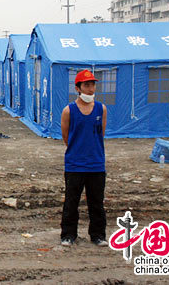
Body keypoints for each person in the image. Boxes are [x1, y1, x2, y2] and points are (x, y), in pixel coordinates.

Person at [59, 69, 108, 247]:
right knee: (71, 202)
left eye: (92, 84)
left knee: (96, 202)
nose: (90, 88)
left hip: (96, 164)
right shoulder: (69, 111)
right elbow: (66, 136)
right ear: (78, 88)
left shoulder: (101, 109)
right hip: (75, 164)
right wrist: (77, 150)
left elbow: (100, 133)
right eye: (86, 85)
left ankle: (98, 235)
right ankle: (68, 234)